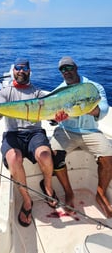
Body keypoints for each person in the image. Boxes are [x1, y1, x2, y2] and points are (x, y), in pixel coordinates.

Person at [0, 57, 59, 227]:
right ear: (13, 71)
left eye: (24, 68)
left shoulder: (38, 93)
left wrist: (57, 119)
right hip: (13, 134)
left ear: (29, 71)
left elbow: (51, 115)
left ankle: (47, 186)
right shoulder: (5, 92)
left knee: (45, 155)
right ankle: (27, 201)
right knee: (13, 158)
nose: (21, 71)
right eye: (18, 68)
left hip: (34, 133)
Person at [50, 56, 112, 218]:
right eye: (63, 69)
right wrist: (54, 118)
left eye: (69, 68)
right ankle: (69, 193)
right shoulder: (58, 92)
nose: (67, 72)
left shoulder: (93, 87)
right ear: (61, 73)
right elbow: (50, 117)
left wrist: (94, 110)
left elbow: (103, 108)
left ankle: (100, 193)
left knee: (108, 156)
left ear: (76, 68)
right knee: (54, 154)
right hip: (66, 131)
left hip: (90, 131)